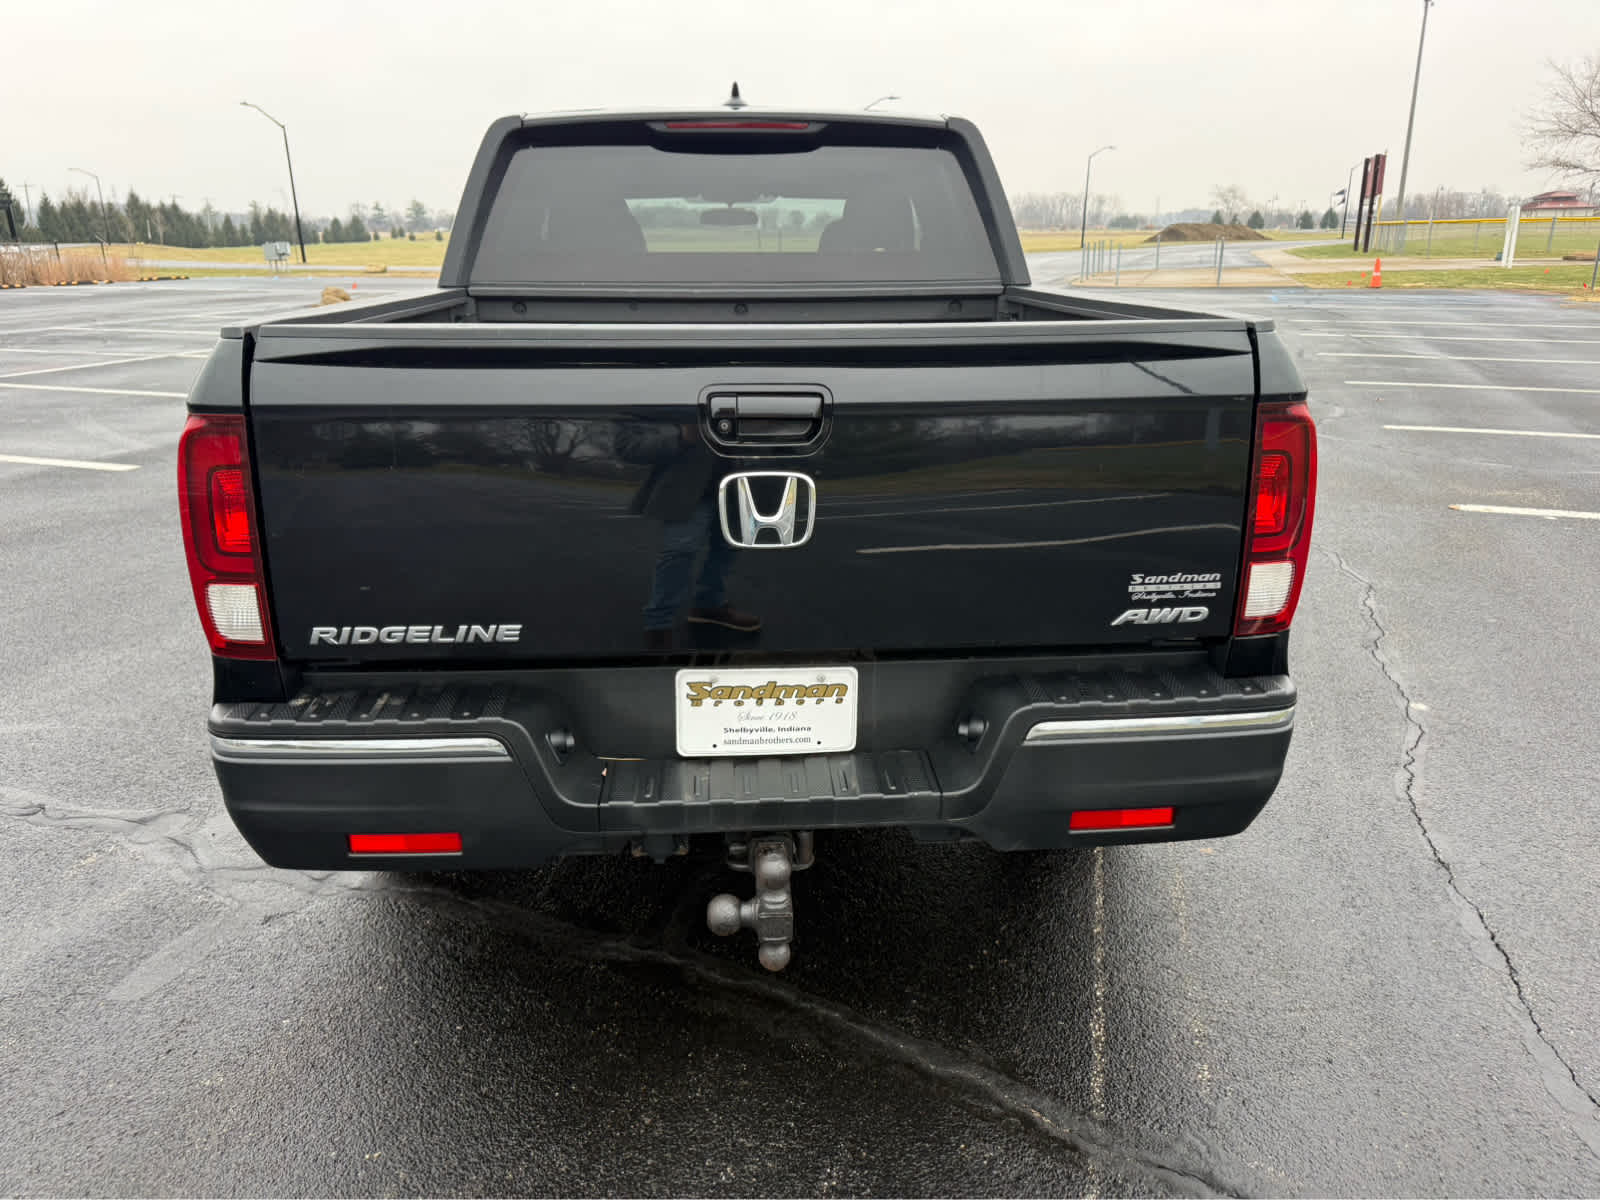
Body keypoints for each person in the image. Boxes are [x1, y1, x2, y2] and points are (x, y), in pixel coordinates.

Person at [614, 420, 760, 648]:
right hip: (689, 492)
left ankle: (709, 606)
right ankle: (658, 625)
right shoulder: (645, 395)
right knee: (679, 552)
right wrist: (682, 437)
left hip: (736, 486)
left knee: (729, 547)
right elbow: (627, 446)